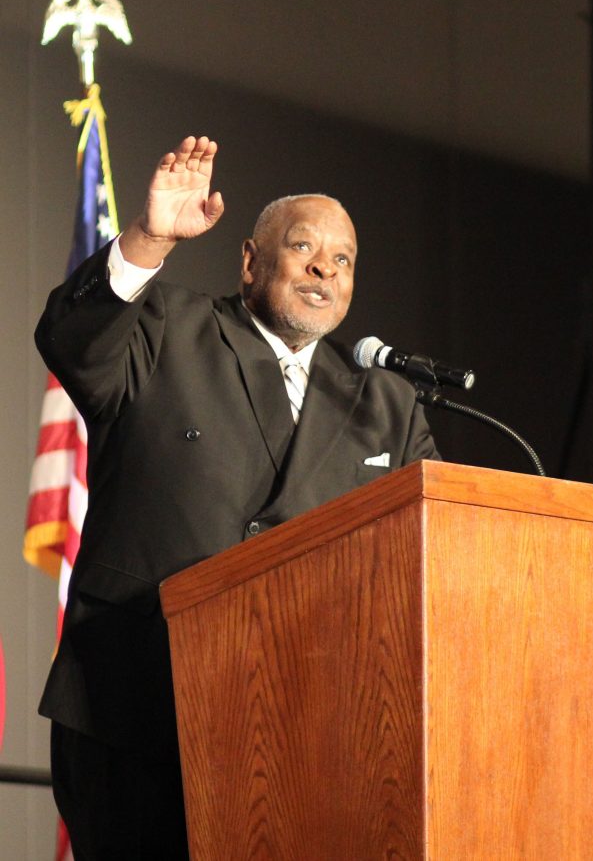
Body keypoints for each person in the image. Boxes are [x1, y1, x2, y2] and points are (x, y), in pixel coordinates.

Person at [36, 136, 439, 860]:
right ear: (250, 260)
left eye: (342, 259)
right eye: (303, 246)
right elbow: (72, 339)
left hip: (304, 726)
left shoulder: (386, 404)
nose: (324, 267)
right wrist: (150, 238)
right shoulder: (169, 327)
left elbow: (437, 549)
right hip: (136, 702)